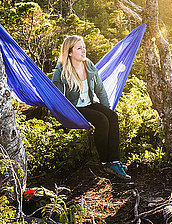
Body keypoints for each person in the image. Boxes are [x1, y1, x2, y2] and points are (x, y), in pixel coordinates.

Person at [52, 35, 130, 180]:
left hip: (89, 104)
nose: (83, 51)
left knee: (112, 117)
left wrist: (107, 108)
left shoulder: (88, 65)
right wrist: (63, 115)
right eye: (79, 48)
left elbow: (100, 89)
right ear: (69, 52)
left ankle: (114, 161)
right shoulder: (61, 70)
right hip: (74, 109)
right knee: (101, 120)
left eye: (84, 47)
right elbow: (55, 96)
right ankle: (105, 162)